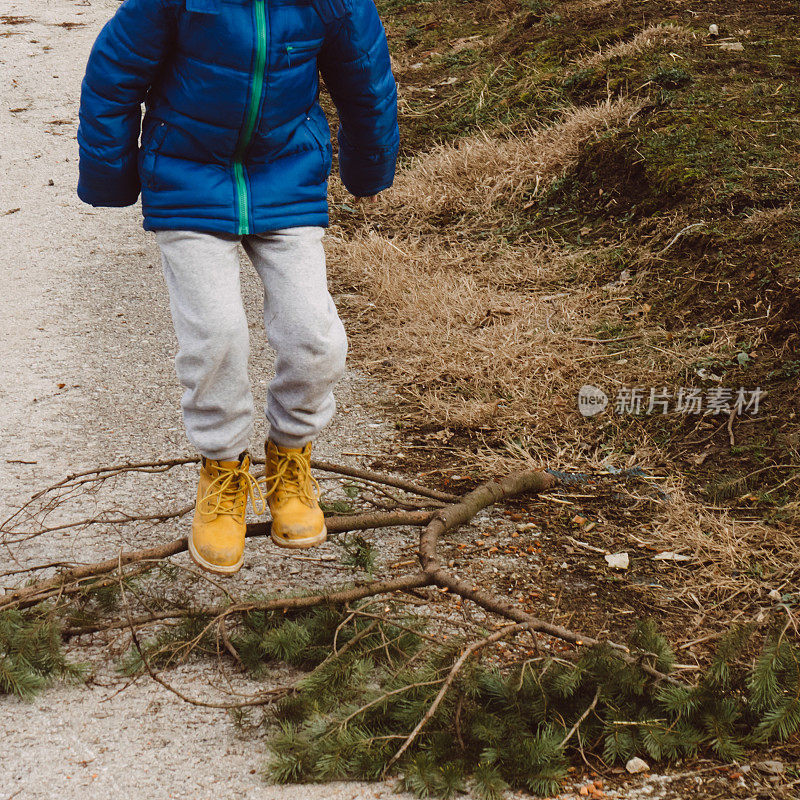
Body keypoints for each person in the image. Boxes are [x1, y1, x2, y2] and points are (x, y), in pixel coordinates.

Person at [76, 0, 399, 575]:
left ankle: (291, 457)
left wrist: (368, 169)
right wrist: (113, 175)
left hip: (286, 176)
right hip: (186, 179)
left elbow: (365, 80)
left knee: (315, 338)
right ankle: (223, 469)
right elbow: (114, 74)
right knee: (216, 334)